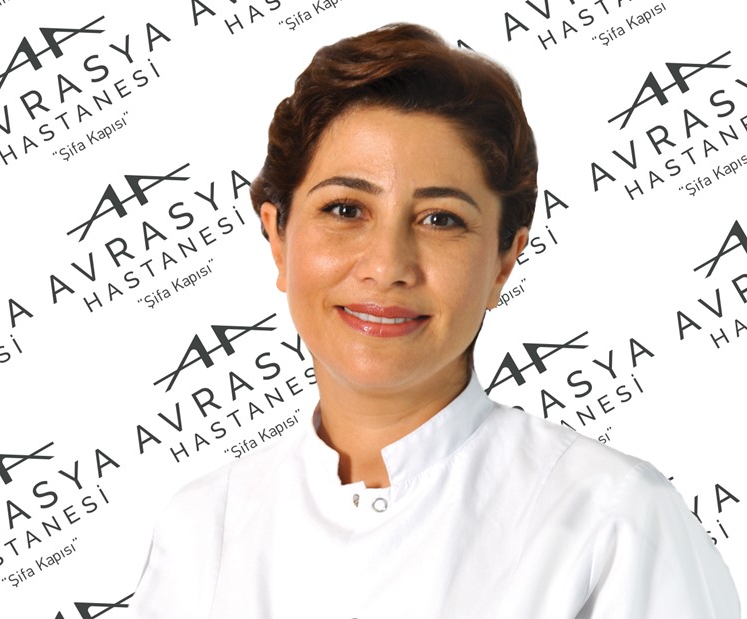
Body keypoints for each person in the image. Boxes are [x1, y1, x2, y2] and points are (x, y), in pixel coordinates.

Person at [130, 23, 740, 618]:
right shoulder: (203, 527)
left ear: (503, 260)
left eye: (441, 219)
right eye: (345, 209)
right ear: (278, 238)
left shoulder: (613, 519)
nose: (386, 266)